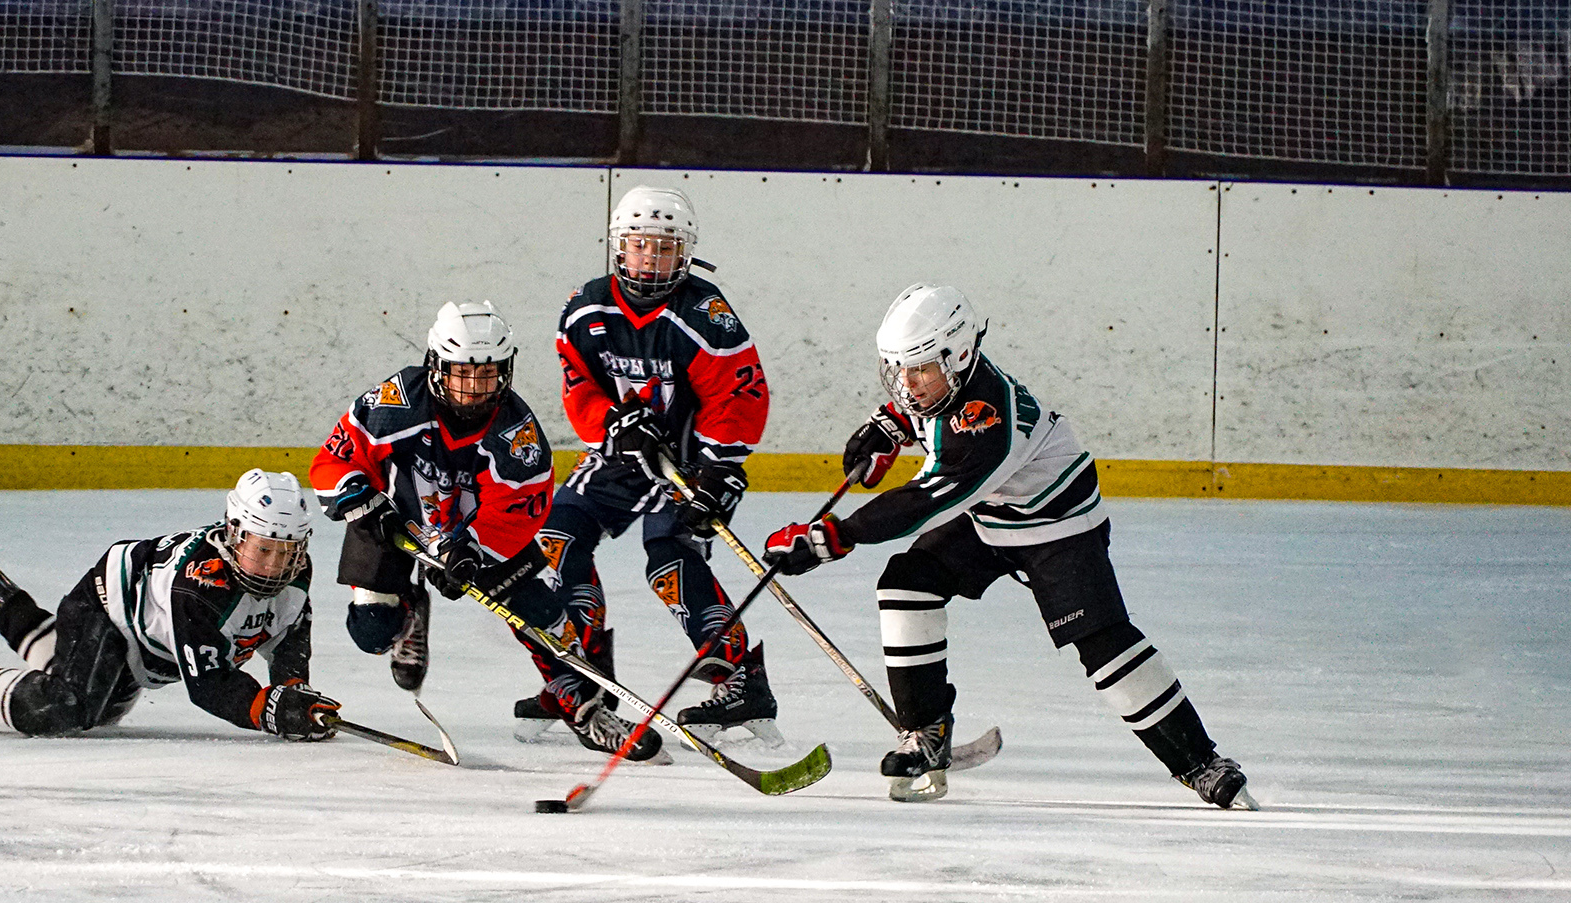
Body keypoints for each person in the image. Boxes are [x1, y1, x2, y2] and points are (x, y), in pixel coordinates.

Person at [764, 283, 1252, 808]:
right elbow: (922, 411)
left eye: (921, 368)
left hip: (1058, 526)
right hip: (993, 515)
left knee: (1103, 644)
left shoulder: (987, 419)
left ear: (959, 354)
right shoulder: (946, 384)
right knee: (907, 584)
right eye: (901, 369)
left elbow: (929, 498)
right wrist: (891, 423)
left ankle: (1201, 762)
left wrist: (832, 537)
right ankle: (926, 733)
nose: (910, 382)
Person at [309, 300, 663, 761]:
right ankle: (409, 609)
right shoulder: (395, 402)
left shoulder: (518, 434)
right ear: (437, 366)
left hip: (473, 539)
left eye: (488, 374)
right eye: (462, 373)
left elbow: (519, 513)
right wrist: (356, 496)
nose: (475, 387)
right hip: (391, 521)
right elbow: (334, 459)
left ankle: (585, 706)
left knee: (539, 611)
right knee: (372, 633)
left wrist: (472, 551)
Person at [515, 185, 783, 749]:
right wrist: (611, 422)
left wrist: (716, 469)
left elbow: (742, 397)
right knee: (556, 537)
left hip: (694, 461)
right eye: (639, 246)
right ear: (619, 247)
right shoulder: (586, 306)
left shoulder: (704, 312)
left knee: (669, 556)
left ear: (684, 253)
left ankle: (741, 678)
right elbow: (578, 389)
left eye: (663, 248)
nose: (649, 258)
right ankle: (584, 670)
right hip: (621, 456)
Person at [0, 469, 342, 742]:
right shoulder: (200, 584)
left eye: (286, 551)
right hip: (107, 608)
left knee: (103, 703)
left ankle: (2, 604)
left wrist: (293, 691)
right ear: (233, 532)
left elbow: (287, 637)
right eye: (262, 549)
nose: (274, 566)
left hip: (147, 644)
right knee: (68, 707)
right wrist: (271, 710)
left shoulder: (297, 573)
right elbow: (208, 684)